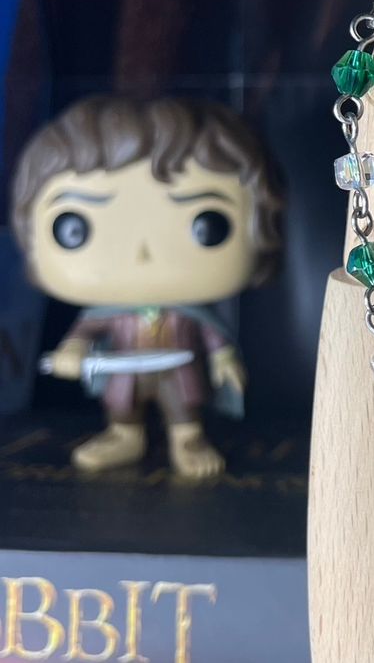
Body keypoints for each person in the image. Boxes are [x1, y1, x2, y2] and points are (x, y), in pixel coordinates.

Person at [10, 96, 283, 477]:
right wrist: (72, 351)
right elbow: (84, 332)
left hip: (179, 369)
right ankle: (124, 434)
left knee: (182, 403)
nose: (142, 253)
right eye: (75, 228)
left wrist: (223, 360)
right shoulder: (107, 315)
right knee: (122, 403)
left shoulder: (193, 316)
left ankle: (187, 437)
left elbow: (212, 337)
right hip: (123, 371)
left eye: (207, 223)